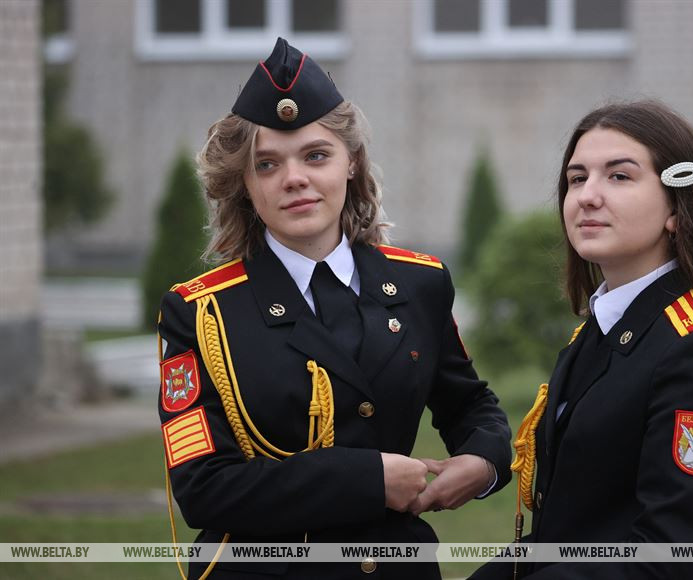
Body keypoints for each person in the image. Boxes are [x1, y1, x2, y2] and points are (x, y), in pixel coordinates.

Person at [157, 38, 511, 579]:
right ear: (245, 185)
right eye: (267, 164)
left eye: (316, 155)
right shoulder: (200, 313)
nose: (294, 178)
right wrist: (368, 481)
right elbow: (203, 489)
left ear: (352, 162)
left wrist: (483, 460)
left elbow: (467, 402)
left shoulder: (420, 282)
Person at [471, 100, 693, 579]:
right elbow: (566, 534)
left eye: (619, 176)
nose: (587, 196)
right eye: (577, 179)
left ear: (676, 208)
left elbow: (667, 555)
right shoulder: (599, 329)